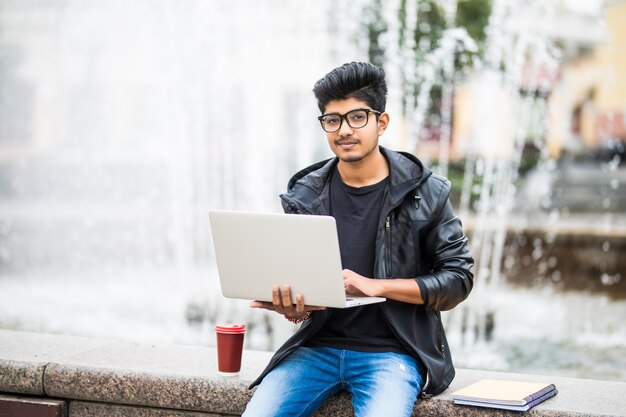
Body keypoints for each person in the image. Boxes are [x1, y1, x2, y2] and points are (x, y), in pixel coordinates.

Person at [242, 62, 474, 417]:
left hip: (393, 353)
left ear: (381, 123)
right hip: (315, 349)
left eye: (357, 117)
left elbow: (458, 280)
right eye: (332, 120)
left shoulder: (426, 192)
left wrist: (374, 286)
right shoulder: (305, 195)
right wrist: (295, 307)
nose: (344, 130)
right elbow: (306, 299)